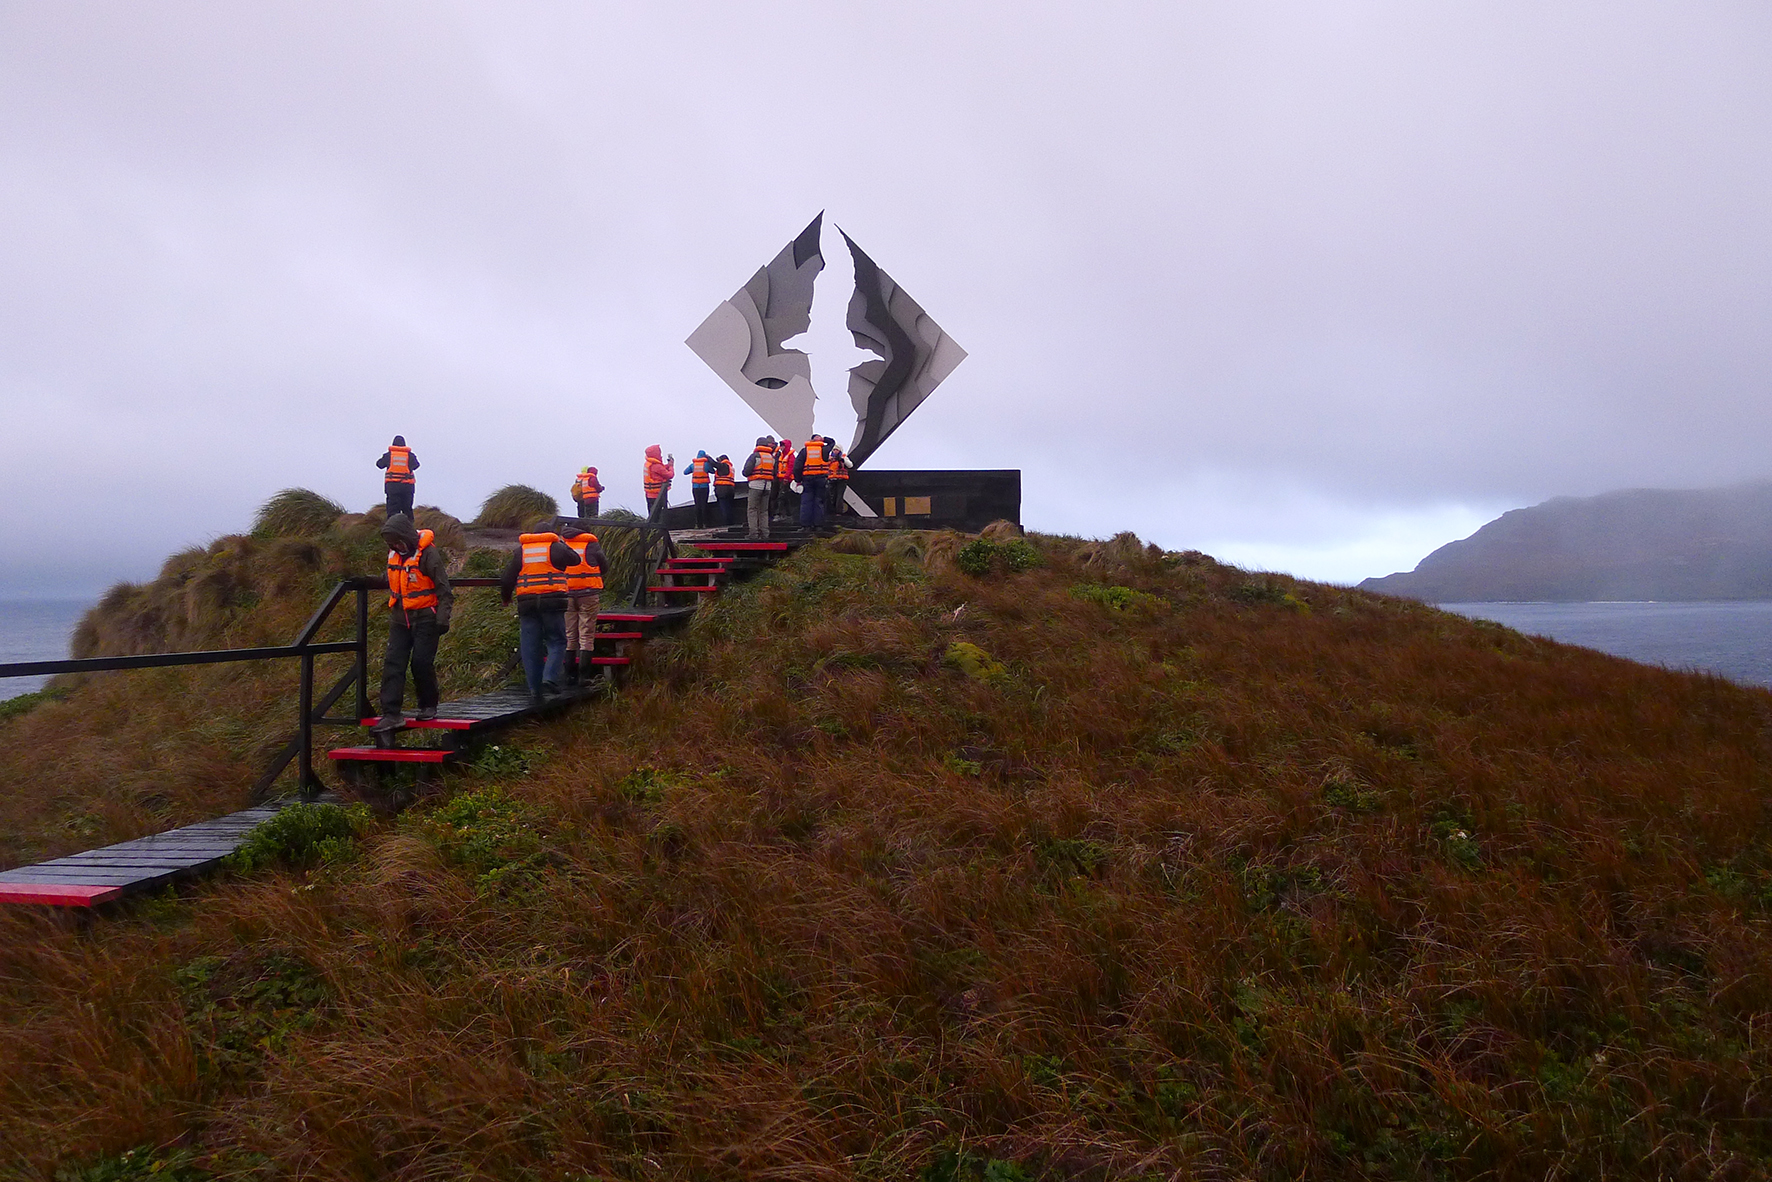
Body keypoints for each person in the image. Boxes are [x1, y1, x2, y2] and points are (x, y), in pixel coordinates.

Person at [370, 513, 453, 733]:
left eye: (397, 541)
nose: (395, 546)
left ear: (407, 536)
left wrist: (442, 619)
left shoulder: (429, 555)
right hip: (399, 618)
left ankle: (428, 705)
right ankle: (391, 714)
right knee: (393, 663)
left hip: (427, 618)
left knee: (421, 663)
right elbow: (388, 578)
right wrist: (362, 581)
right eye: (391, 543)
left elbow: (444, 590)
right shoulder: (394, 555)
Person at [499, 528, 576, 703]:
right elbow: (575, 559)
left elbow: (507, 578)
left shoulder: (522, 550)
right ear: (551, 534)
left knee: (529, 647)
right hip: (553, 602)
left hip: (527, 603)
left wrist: (506, 598)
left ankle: (535, 690)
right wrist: (561, 543)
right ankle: (549, 678)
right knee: (557, 641)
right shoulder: (556, 547)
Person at [560, 524, 607, 687]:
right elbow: (604, 566)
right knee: (586, 634)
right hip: (588, 593)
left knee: (569, 634)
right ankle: (583, 677)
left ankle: (568, 675)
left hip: (566, 593)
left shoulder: (562, 543)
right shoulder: (591, 543)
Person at [376, 435, 418, 519]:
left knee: (392, 510)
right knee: (407, 510)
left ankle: (392, 529)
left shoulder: (388, 455)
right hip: (407, 487)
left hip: (392, 487)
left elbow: (379, 464)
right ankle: (408, 529)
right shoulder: (410, 455)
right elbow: (416, 465)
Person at [741, 436, 775, 538]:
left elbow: (746, 471)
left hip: (755, 485)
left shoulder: (755, 456)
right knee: (764, 511)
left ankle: (753, 534)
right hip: (768, 486)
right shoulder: (771, 457)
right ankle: (765, 533)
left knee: (752, 509)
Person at [795, 435, 830, 529]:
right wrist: (824, 439)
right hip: (821, 478)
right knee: (819, 502)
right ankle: (818, 525)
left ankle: (806, 526)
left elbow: (797, 466)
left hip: (807, 479)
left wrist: (798, 480)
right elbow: (832, 442)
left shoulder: (804, 451)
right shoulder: (824, 450)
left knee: (806, 502)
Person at [683, 450, 714, 528]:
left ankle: (697, 523)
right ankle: (705, 523)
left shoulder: (693, 465)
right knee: (704, 504)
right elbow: (713, 471)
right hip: (704, 487)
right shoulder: (706, 465)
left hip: (695, 487)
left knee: (697, 505)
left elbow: (685, 472)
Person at [643, 444, 673, 518]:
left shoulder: (648, 464)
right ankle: (659, 529)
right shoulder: (656, 466)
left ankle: (652, 529)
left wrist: (667, 465)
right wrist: (671, 466)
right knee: (659, 515)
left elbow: (660, 470)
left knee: (652, 514)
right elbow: (669, 475)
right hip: (658, 495)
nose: (661, 455)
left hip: (649, 494)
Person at [772, 437, 795, 523]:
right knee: (785, 497)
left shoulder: (790, 456)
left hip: (786, 479)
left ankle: (779, 514)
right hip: (780, 478)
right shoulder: (781, 455)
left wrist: (786, 477)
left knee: (781, 497)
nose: (781, 447)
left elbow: (790, 468)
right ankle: (789, 515)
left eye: (783, 446)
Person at [826, 439, 851, 515]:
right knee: (832, 496)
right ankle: (832, 511)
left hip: (841, 480)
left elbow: (850, 465)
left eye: (837, 450)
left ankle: (838, 512)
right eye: (834, 450)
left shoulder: (844, 458)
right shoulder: (829, 459)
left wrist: (843, 460)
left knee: (839, 496)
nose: (835, 451)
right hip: (831, 479)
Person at [712, 454, 736, 527]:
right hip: (730, 489)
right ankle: (730, 522)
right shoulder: (730, 467)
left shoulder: (724, 466)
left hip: (722, 489)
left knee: (724, 507)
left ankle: (727, 524)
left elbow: (714, 464)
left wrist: (707, 457)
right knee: (729, 506)